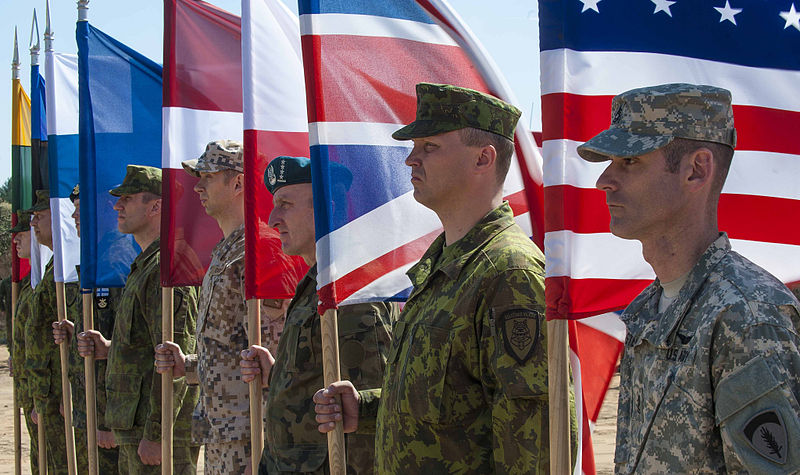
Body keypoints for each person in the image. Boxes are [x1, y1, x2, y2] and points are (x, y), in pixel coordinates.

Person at [312, 83, 573, 473]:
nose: (411, 160)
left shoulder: (510, 273)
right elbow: (453, 401)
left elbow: (536, 442)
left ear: (483, 159)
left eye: (429, 147)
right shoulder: (443, 265)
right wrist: (365, 408)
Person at [577, 83, 800, 473]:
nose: (604, 181)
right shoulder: (650, 308)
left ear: (696, 170)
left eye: (630, 162)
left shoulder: (745, 315)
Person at [239, 156, 398, 474]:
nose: (272, 219)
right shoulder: (318, 281)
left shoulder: (350, 291)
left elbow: (368, 414)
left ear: (328, 207)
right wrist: (279, 372)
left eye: (285, 204)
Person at [154, 140, 289, 474]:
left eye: (208, 176)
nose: (198, 186)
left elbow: (275, 359)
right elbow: (231, 350)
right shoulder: (224, 253)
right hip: (221, 434)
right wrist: (186, 365)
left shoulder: (262, 252)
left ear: (238, 183)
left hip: (252, 437)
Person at [76, 165, 201, 474]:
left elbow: (175, 358)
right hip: (135, 425)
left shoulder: (167, 270)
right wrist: (111, 347)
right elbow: (146, 344)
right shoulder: (145, 265)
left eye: (128, 199)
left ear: (156, 206)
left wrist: (158, 433)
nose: (117, 206)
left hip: (155, 431)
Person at [51, 184, 121, 472]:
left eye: (81, 208)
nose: (74, 216)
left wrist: (103, 420)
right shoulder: (95, 261)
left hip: (107, 421)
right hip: (88, 412)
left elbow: (123, 347)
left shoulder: (116, 262)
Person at [27, 189, 88, 474]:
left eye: (40, 215)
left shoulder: (69, 272)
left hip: (61, 391)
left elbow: (79, 332)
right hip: (48, 390)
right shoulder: (54, 267)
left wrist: (70, 393)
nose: (33, 223)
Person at [8, 211, 41, 474]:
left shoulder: (51, 282)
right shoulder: (32, 284)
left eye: (22, 233)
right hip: (32, 392)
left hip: (46, 396)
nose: (16, 240)